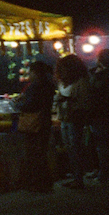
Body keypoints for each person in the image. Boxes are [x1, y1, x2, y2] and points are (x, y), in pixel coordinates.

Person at [14, 59, 57, 193]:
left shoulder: (35, 86)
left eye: (30, 72)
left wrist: (17, 105)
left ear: (35, 72)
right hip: (45, 121)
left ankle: (37, 184)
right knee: (42, 153)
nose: (29, 75)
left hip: (35, 124)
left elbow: (31, 105)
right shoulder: (49, 85)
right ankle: (45, 183)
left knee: (34, 155)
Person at [54, 54, 93, 189]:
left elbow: (84, 102)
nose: (62, 71)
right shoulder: (62, 82)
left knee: (75, 148)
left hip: (75, 119)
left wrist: (66, 101)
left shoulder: (81, 82)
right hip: (64, 118)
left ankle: (78, 178)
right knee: (69, 148)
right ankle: (76, 176)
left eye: (65, 68)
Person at [88, 48, 109, 182]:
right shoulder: (97, 74)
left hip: (100, 115)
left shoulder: (100, 77)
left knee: (102, 145)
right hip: (99, 115)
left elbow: (94, 95)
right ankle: (100, 171)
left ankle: (103, 173)